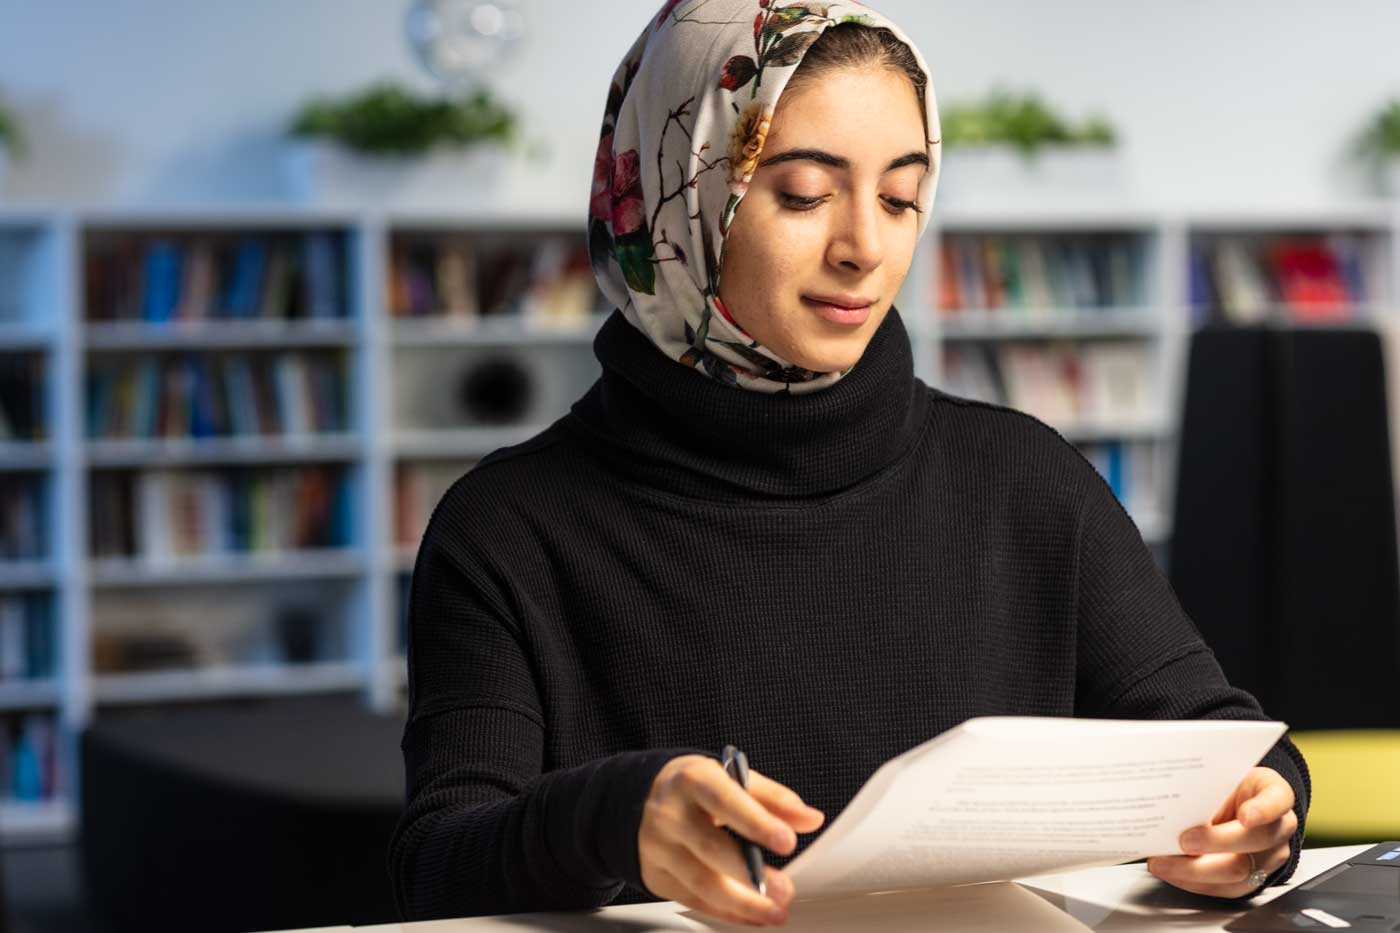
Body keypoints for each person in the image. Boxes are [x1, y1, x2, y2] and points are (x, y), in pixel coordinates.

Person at [387, 0, 1310, 927]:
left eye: (903, 198)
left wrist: (1264, 814)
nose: (866, 247)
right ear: (678, 191)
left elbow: (1227, 741)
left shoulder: (1023, 477)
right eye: (802, 193)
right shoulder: (506, 528)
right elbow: (437, 867)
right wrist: (607, 819)